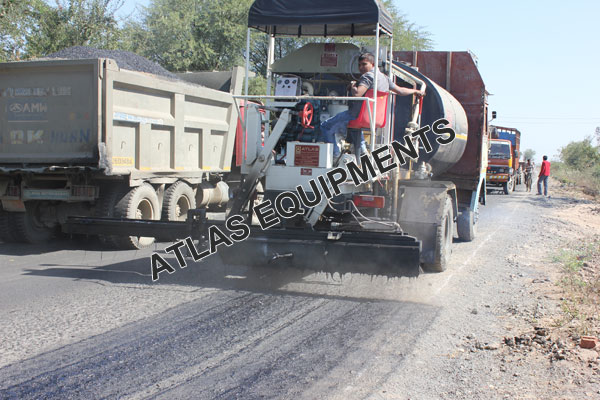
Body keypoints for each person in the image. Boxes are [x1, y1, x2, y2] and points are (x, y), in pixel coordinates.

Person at [319, 52, 425, 159]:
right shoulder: (385, 78)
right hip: (374, 118)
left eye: (364, 64)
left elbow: (357, 93)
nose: (361, 67)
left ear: (373, 64)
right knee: (356, 127)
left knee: (326, 126)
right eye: (359, 65)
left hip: (357, 116)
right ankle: (363, 151)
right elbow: (401, 91)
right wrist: (414, 91)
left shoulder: (368, 76)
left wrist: (352, 85)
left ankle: (335, 155)